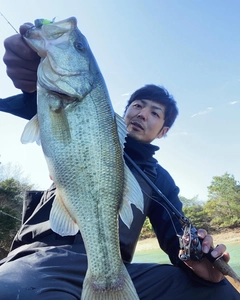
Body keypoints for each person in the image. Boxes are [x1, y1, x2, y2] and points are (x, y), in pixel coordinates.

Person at [0, 24, 239, 300]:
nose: (142, 113)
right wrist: (31, 80)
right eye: (137, 105)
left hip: (114, 267)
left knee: (220, 294)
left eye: (154, 113)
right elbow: (43, 104)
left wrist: (202, 267)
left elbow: (176, 240)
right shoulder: (89, 121)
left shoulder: (160, 179)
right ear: (124, 112)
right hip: (40, 257)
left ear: (163, 131)